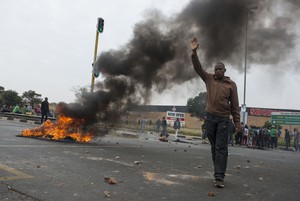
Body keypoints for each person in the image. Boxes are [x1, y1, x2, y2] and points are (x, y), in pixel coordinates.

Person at [191, 36, 241, 188]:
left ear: (224, 71)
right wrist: (194, 53)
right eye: (216, 69)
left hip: (224, 120)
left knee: (221, 147)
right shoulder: (209, 79)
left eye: (220, 69)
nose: (218, 71)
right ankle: (217, 170)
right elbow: (198, 68)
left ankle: (219, 177)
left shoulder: (231, 85)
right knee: (214, 147)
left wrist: (237, 122)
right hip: (210, 118)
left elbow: (235, 105)